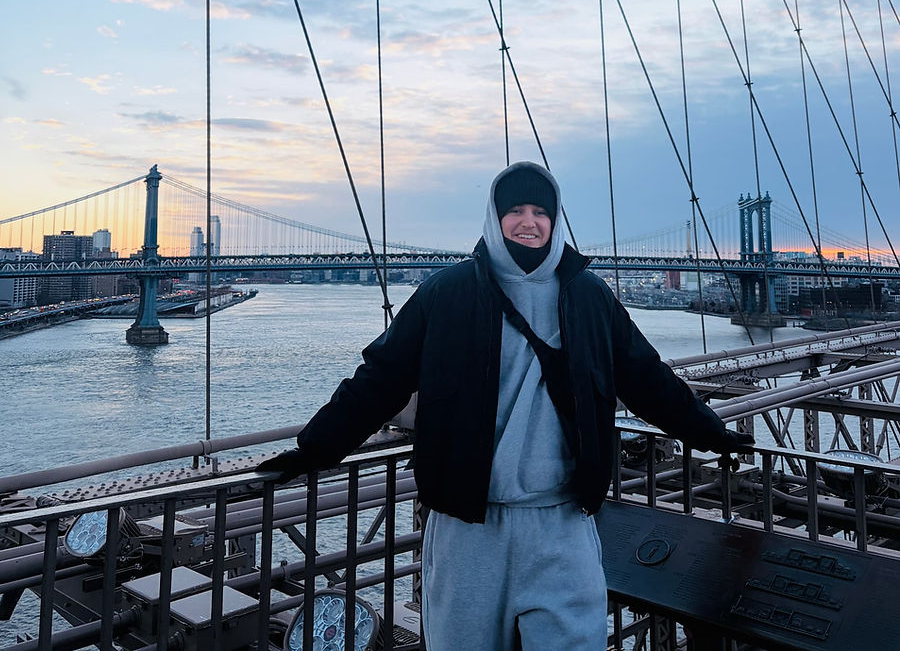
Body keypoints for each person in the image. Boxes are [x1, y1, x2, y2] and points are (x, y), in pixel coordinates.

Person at [259, 161, 753, 650]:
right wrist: (314, 449)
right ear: (494, 218)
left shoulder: (589, 296)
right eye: (514, 209)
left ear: (556, 219)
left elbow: (647, 378)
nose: (528, 221)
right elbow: (381, 378)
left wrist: (711, 433)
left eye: (541, 210)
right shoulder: (447, 293)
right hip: (468, 526)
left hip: (563, 522)